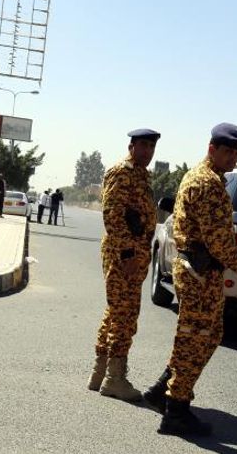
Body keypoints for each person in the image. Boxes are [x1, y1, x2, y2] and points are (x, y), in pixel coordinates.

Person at [143, 123, 237, 436]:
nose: (233, 157)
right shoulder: (208, 184)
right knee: (196, 338)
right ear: (212, 149)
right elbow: (218, 239)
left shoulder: (201, 176)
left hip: (199, 270)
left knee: (204, 334)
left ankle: (161, 390)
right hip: (200, 272)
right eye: (228, 151)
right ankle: (175, 411)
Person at [87, 128, 161, 402]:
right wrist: (128, 254)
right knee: (125, 315)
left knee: (116, 312)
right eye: (143, 146)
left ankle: (100, 373)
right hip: (124, 255)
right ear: (131, 146)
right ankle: (115, 379)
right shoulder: (121, 172)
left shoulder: (141, 175)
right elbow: (112, 214)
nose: (148, 152)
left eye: (151, 147)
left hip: (134, 253)